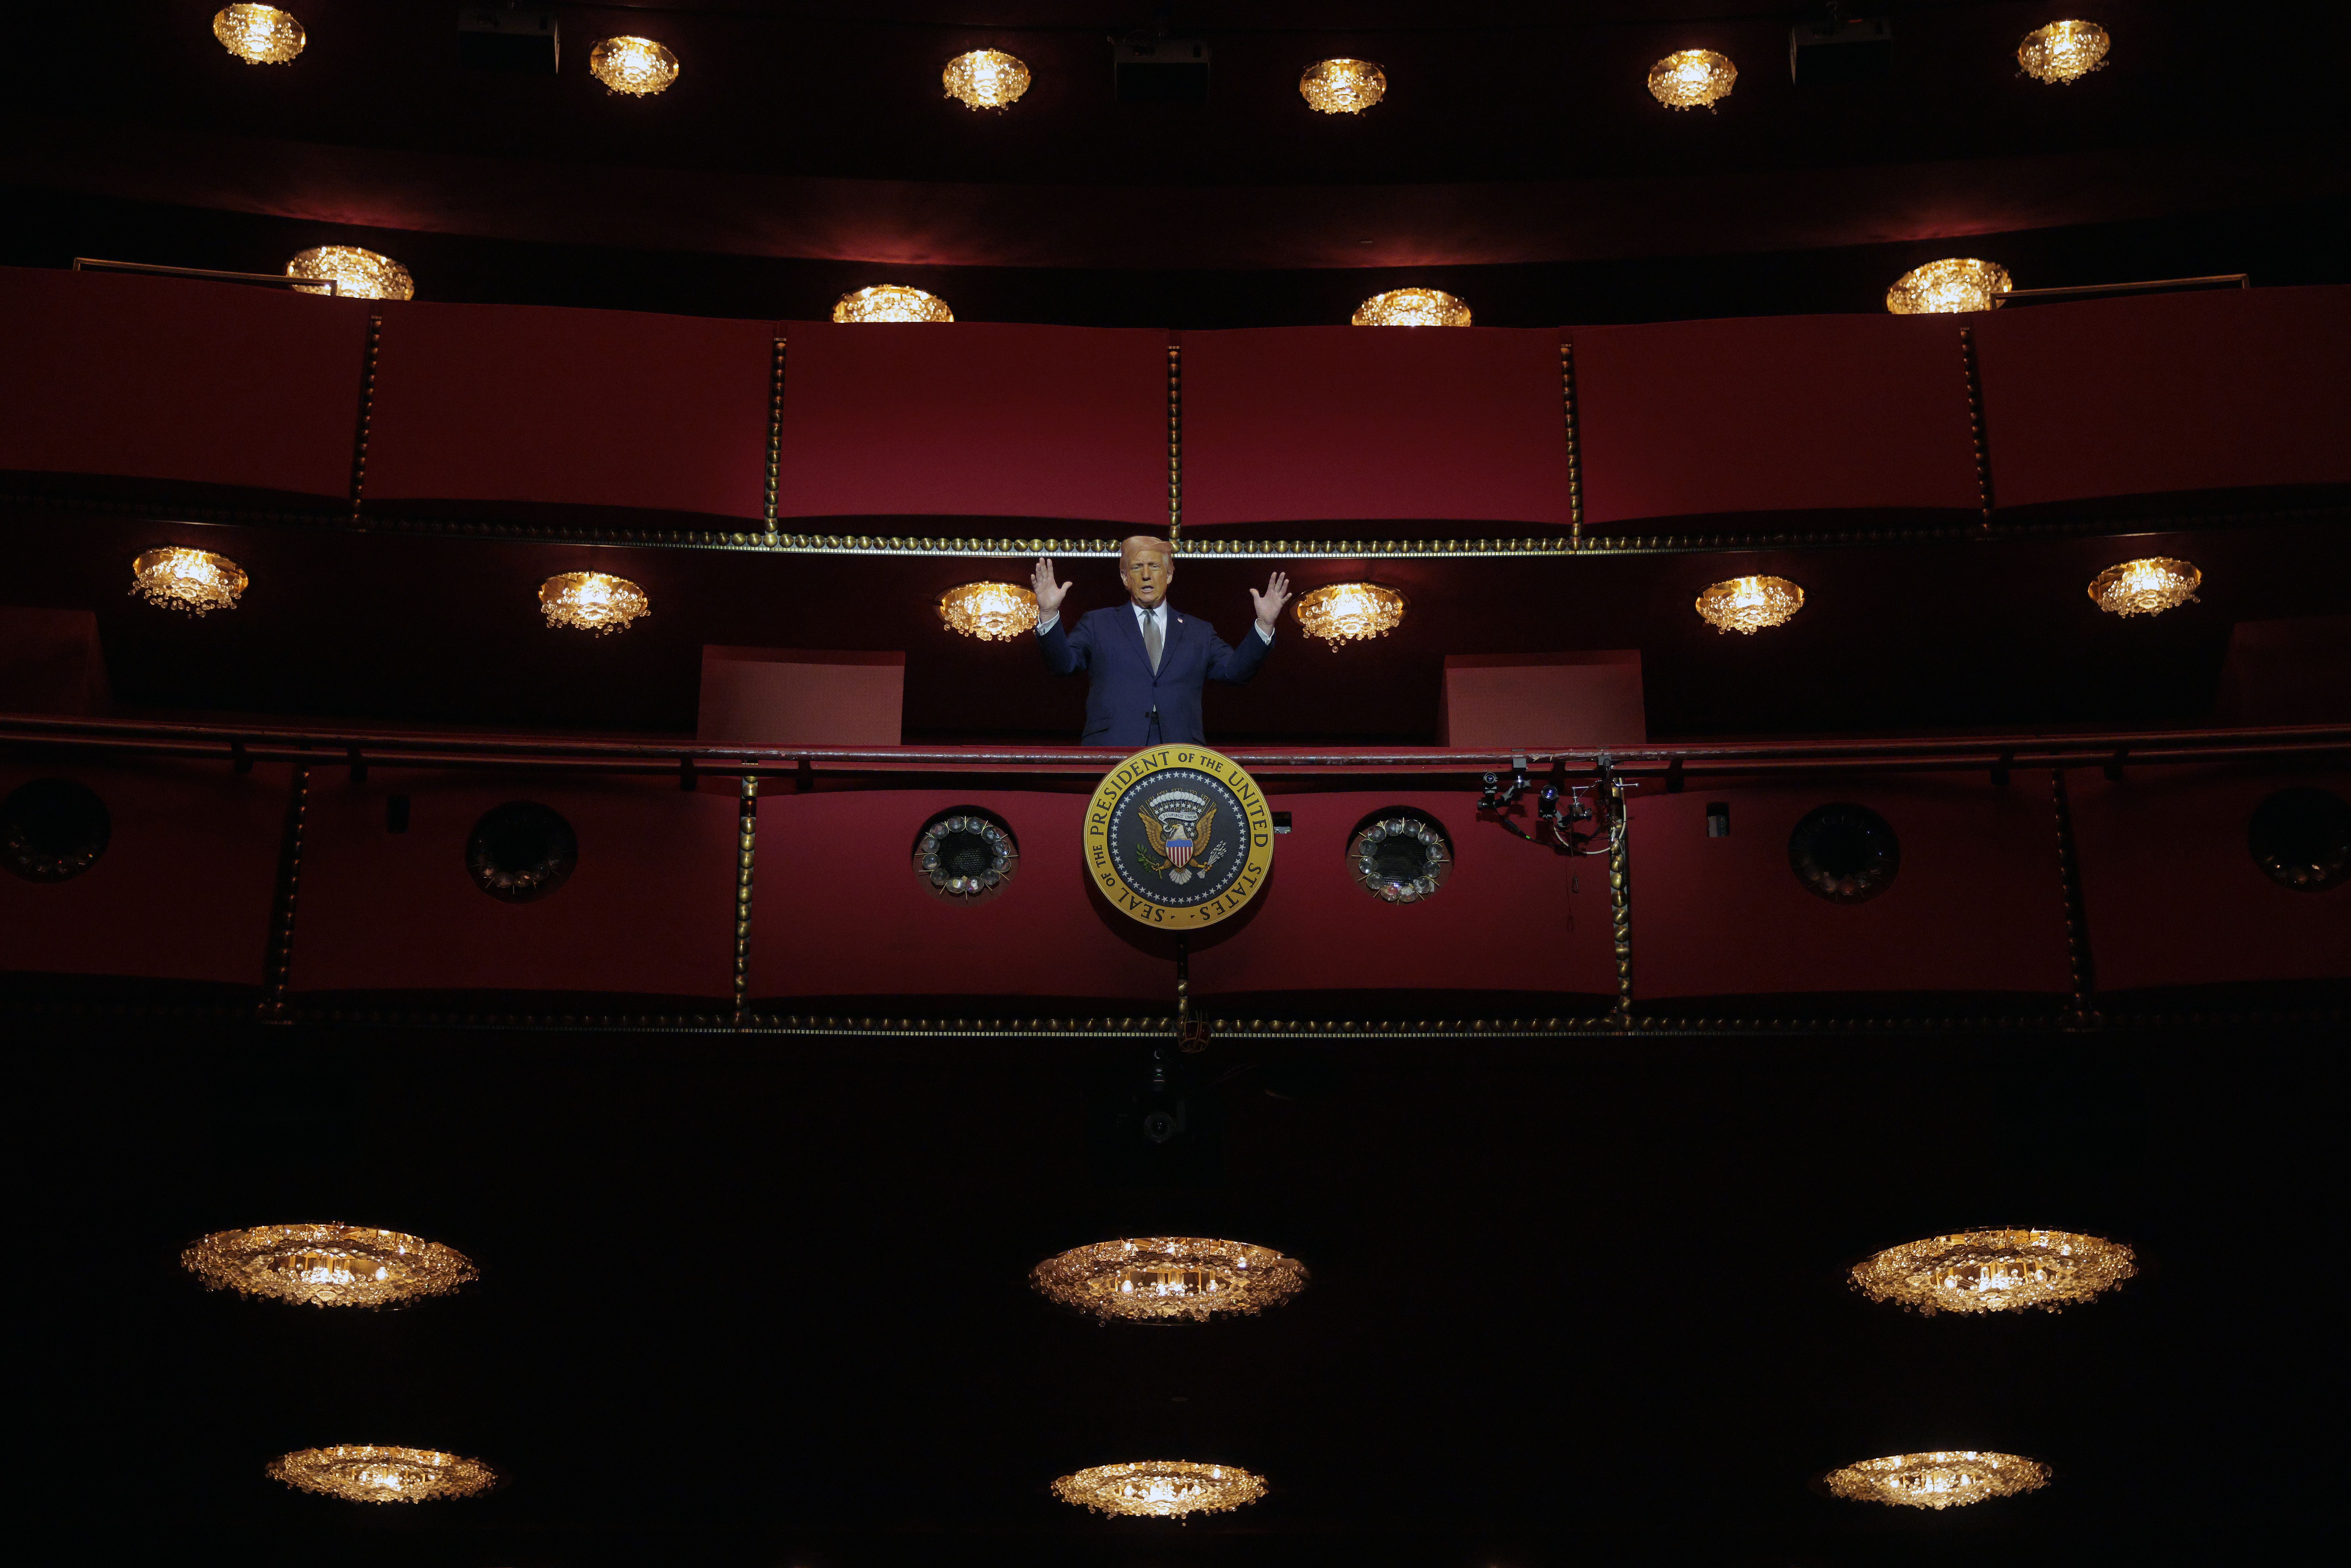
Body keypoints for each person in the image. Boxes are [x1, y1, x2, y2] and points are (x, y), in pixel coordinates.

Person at [1032, 536, 1291, 746]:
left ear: (1169, 575)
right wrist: (1048, 614)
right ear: (1125, 578)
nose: (1146, 575)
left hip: (1180, 751)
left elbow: (1235, 672)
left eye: (1155, 567)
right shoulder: (1098, 623)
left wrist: (1265, 624)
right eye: (1137, 568)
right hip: (1114, 748)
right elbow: (1063, 665)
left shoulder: (1198, 632)